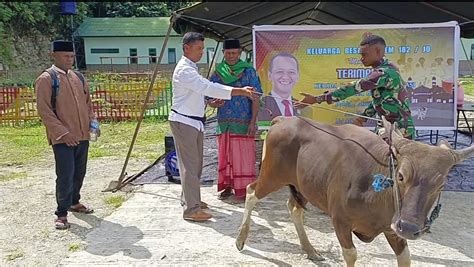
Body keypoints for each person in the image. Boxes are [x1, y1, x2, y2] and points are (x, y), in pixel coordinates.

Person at [169, 32, 256, 222]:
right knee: (190, 166)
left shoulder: (191, 67)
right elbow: (207, 87)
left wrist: (211, 103)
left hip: (193, 121)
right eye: (198, 48)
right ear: (186, 48)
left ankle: (190, 200)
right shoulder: (185, 70)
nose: (201, 52)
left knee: (195, 165)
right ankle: (192, 209)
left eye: (202, 48)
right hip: (185, 121)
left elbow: (199, 93)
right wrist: (239, 91)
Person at [296, 34, 416, 140]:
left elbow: (354, 88)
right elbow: (381, 100)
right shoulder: (387, 70)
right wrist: (362, 118)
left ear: (378, 51)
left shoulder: (384, 73)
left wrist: (317, 99)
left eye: (365, 54)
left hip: (400, 132)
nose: (361, 58)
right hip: (387, 128)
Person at [35, 40, 96, 230]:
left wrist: (93, 124)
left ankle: (74, 201)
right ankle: (61, 213)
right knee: (65, 174)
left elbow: (88, 104)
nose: (69, 60)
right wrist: (62, 133)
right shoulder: (47, 79)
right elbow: (44, 110)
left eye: (72, 56)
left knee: (80, 172)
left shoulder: (78, 77)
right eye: (65, 56)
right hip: (62, 138)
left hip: (83, 135)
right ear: (53, 55)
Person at [207, 39, 263, 201]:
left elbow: (256, 98)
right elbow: (209, 97)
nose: (231, 56)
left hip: (244, 121)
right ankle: (227, 187)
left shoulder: (249, 72)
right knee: (226, 155)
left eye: (234, 53)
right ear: (223, 53)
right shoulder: (218, 73)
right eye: (228, 53)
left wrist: (253, 122)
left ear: (240, 53)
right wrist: (213, 103)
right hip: (224, 121)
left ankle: (245, 189)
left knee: (244, 157)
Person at [257, 52, 308, 122]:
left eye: (291, 72)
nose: (285, 77)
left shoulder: (305, 109)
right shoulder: (260, 105)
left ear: (297, 76)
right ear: (269, 75)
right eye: (280, 71)